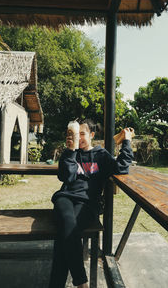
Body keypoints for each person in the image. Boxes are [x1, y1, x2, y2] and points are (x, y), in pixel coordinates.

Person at [49, 119, 134, 288]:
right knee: (67, 222)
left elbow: (122, 168)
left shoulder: (100, 155)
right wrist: (70, 151)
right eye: (74, 134)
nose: (78, 137)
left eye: (82, 134)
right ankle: (82, 282)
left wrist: (127, 141)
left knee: (64, 234)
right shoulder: (71, 152)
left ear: (92, 135)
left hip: (88, 203)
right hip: (65, 197)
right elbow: (67, 177)